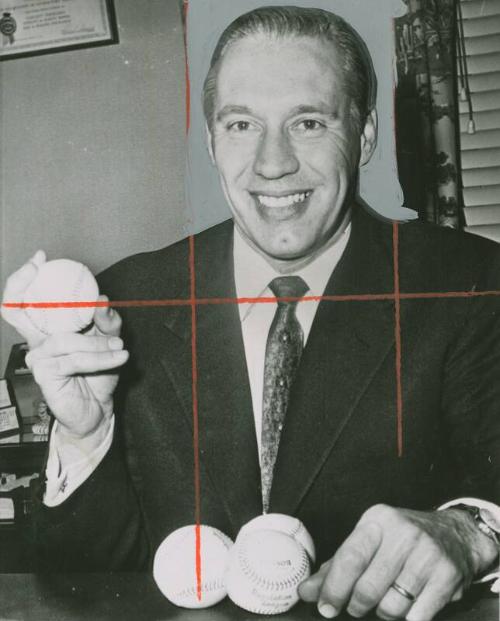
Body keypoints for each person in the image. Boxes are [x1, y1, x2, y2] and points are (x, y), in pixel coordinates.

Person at [2, 6, 500, 621]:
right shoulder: (127, 300)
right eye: (241, 124)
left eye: (309, 122)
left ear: (365, 134)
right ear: (211, 141)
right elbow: (83, 583)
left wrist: (470, 531)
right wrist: (86, 435)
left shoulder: (470, 284)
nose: (272, 163)